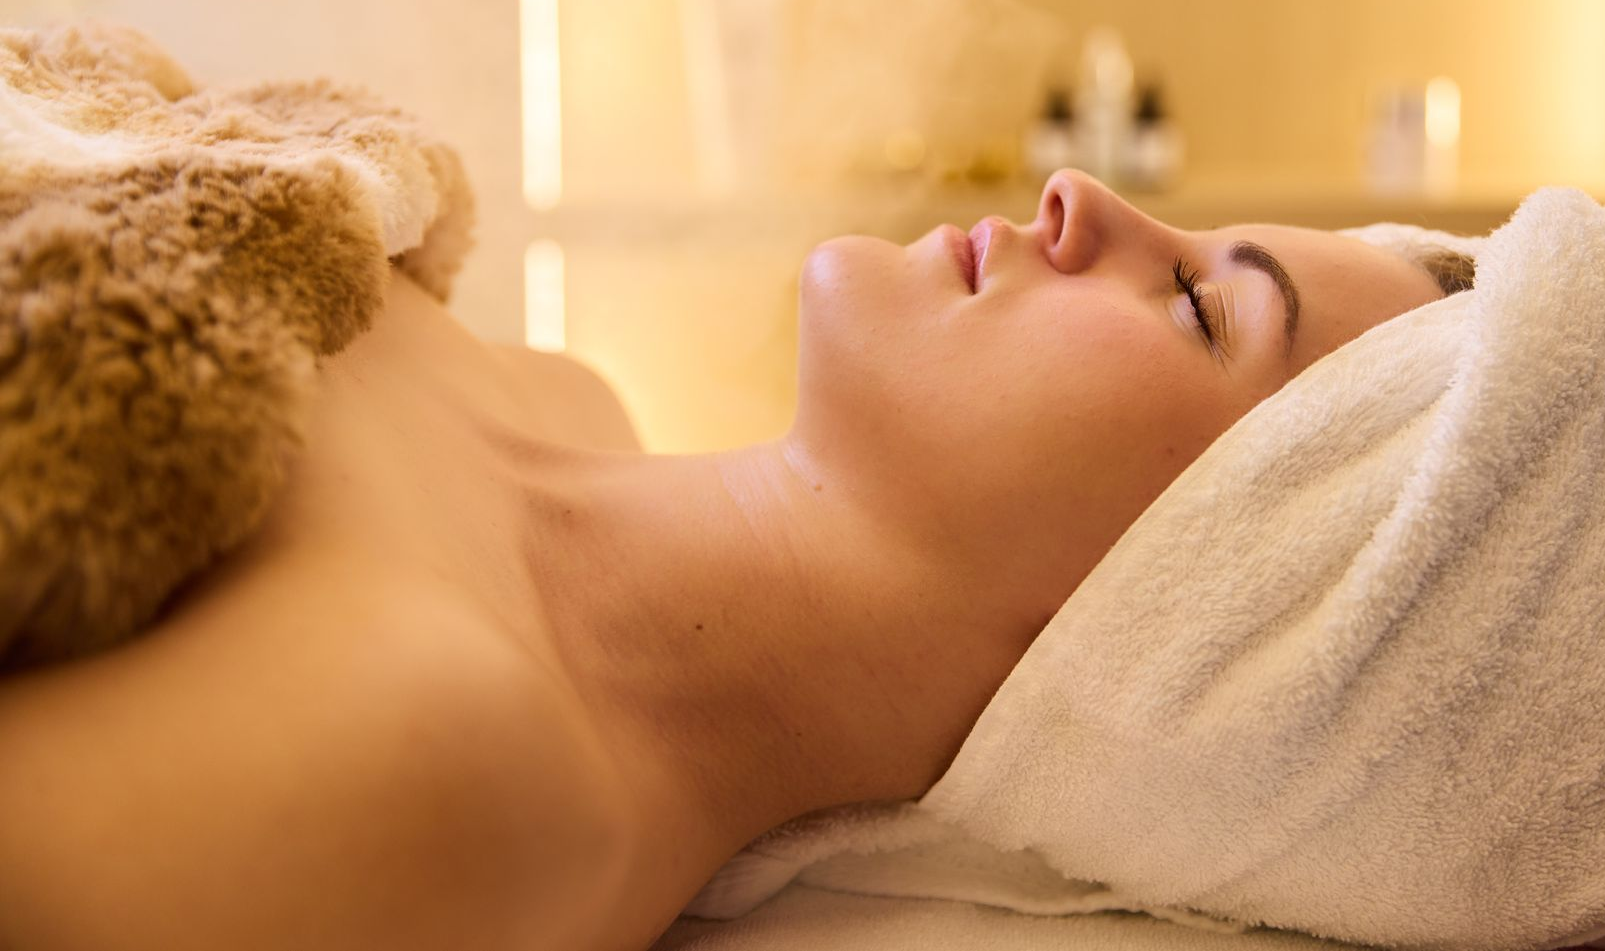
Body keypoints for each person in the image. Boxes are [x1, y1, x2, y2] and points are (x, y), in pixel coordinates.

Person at [0, 169, 1472, 950]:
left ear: (1218, 613)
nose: (1085, 198)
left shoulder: (453, 769)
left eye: (1204, 311)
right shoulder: (567, 399)